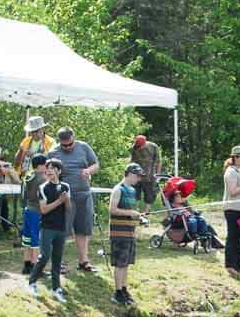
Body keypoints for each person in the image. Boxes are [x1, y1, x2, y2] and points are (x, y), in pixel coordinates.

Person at [51, 127, 102, 273]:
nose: (67, 147)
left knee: (83, 228)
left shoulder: (84, 147)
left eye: (69, 144)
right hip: (65, 196)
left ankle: (84, 261)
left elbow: (96, 165)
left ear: (74, 137)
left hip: (84, 194)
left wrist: (89, 171)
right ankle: (58, 262)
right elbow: (47, 172)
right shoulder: (54, 152)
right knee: (62, 229)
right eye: (64, 145)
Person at [27, 157, 71, 300]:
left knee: (57, 259)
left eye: (52, 168)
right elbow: (44, 209)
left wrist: (66, 200)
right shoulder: (43, 187)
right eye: (48, 168)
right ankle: (32, 282)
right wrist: (60, 201)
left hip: (61, 226)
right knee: (45, 256)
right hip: (47, 227)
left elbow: (68, 208)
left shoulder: (65, 186)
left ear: (59, 171)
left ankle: (56, 288)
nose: (49, 171)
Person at [108, 164, 147, 307]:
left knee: (126, 264)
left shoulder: (132, 191)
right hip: (119, 233)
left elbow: (130, 210)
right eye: (137, 175)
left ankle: (124, 290)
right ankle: (117, 292)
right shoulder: (119, 189)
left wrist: (139, 217)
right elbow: (112, 209)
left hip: (130, 233)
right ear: (129, 174)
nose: (138, 179)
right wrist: (131, 213)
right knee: (119, 264)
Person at [219, 147, 240, 280]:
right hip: (232, 209)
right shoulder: (231, 172)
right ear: (236, 158)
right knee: (232, 237)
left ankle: (237, 265)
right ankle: (230, 265)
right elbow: (232, 191)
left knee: (239, 238)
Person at [129, 135, 163, 207]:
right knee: (135, 194)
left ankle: (146, 212)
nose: (139, 147)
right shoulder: (134, 148)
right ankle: (135, 210)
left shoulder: (153, 147)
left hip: (150, 176)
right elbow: (131, 161)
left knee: (149, 195)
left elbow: (159, 161)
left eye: (140, 146)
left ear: (144, 143)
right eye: (138, 146)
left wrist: (158, 174)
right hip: (137, 175)